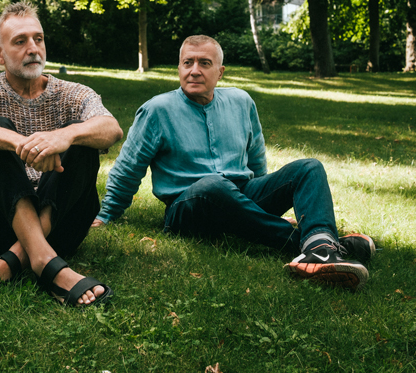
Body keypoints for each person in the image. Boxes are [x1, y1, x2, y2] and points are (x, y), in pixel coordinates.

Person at [93, 35, 375, 291]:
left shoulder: (241, 101)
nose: (194, 70)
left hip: (240, 192)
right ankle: (316, 246)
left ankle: (320, 246)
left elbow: (256, 158)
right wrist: (106, 215)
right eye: (187, 62)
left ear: (220, 72)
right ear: (178, 68)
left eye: (205, 63)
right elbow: (129, 167)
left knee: (309, 168)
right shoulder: (157, 110)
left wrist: (260, 205)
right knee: (213, 185)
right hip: (188, 207)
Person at [0, 2, 123, 306]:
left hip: (63, 222)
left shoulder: (74, 93)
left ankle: (13, 261)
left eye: (38, 39)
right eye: (20, 41)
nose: (33, 49)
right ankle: (46, 263)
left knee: (83, 132)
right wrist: (15, 142)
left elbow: (111, 128)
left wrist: (64, 136)